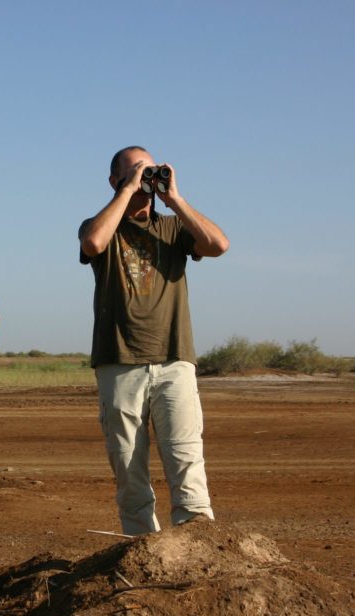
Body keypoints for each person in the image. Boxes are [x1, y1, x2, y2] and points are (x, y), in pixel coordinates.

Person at [78, 146, 229, 536]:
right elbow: (93, 243)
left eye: (149, 173)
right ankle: (141, 547)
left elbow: (218, 245)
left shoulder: (174, 229)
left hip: (174, 358)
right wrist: (126, 192)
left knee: (186, 458)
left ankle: (197, 543)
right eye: (135, 174)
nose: (145, 182)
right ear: (114, 181)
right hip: (119, 361)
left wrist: (174, 198)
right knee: (128, 466)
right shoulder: (99, 225)